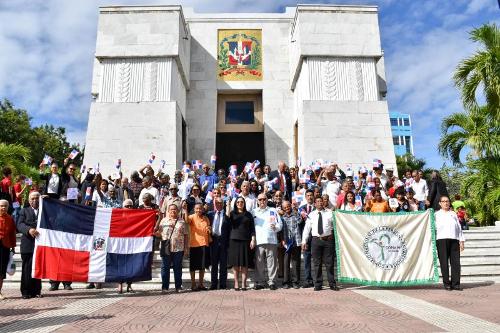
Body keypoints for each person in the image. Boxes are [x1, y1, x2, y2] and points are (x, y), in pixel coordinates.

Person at [301, 197, 339, 291]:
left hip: (328, 240)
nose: (320, 203)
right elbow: (307, 229)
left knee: (329, 263)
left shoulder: (330, 213)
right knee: (317, 263)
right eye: (317, 201)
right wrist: (304, 241)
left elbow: (336, 225)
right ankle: (318, 284)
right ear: (314, 203)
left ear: (324, 202)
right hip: (316, 241)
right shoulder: (311, 214)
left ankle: (332, 283)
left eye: (321, 201)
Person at [253, 193, 283, 290]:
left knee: (272, 263)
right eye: (260, 199)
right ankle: (261, 282)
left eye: (264, 199)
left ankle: (272, 282)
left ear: (267, 200)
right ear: (257, 201)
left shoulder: (273, 210)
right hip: (259, 240)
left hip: (271, 240)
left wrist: (276, 228)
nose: (262, 201)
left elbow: (280, 224)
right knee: (259, 263)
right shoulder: (253, 212)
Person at [16, 192, 43, 299]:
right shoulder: (24, 211)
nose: (35, 200)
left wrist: (48, 200)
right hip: (27, 244)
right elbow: (19, 225)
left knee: (37, 268)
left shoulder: (44, 210)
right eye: (32, 198)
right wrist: (29, 230)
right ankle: (25, 292)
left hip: (40, 245)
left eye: (37, 198)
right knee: (27, 269)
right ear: (29, 199)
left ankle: (37, 291)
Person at [157, 204, 189, 293]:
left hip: (178, 248)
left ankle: (178, 286)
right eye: (171, 209)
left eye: (175, 209)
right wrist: (156, 234)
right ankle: (165, 287)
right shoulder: (163, 221)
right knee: (165, 267)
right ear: (168, 211)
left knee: (177, 267)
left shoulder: (182, 221)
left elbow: (186, 235)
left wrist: (186, 248)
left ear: (178, 211)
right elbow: (159, 233)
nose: (173, 211)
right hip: (166, 247)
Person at [435, 196, 465, 291]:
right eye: (443, 201)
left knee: (456, 263)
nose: (446, 203)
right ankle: (447, 283)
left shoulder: (453, 214)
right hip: (441, 240)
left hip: (454, 240)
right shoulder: (436, 215)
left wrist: (462, 240)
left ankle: (456, 284)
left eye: (447, 201)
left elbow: (459, 228)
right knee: (444, 263)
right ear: (440, 203)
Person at [227, 197, 256, 290]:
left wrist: (253, 239)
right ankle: (236, 283)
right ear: (235, 203)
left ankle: (243, 284)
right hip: (234, 240)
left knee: (244, 263)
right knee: (235, 264)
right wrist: (228, 205)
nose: (240, 203)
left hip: (246, 240)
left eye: (242, 202)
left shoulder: (248, 215)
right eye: (238, 202)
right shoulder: (232, 213)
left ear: (244, 203)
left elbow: (252, 229)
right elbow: (227, 218)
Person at [184, 203, 211, 291]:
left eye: (200, 208)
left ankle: (201, 284)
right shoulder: (191, 217)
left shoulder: (206, 218)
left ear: (203, 209)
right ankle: (193, 284)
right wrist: (185, 210)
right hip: (193, 244)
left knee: (202, 266)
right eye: (197, 208)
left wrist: (209, 230)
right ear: (194, 209)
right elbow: (186, 221)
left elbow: (208, 229)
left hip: (204, 244)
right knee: (193, 266)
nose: (198, 210)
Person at [207, 198, 230, 290]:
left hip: (224, 241)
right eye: (217, 203)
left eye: (220, 202)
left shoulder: (227, 214)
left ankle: (223, 284)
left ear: (223, 204)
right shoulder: (210, 214)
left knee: (223, 264)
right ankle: (213, 284)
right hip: (213, 241)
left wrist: (228, 208)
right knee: (214, 264)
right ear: (214, 204)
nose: (219, 204)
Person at [281, 200, 302, 289]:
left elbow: (300, 221)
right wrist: (282, 240)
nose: (287, 208)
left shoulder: (296, 215)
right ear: (283, 208)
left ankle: (296, 282)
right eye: (285, 207)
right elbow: (280, 230)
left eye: (288, 206)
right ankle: (286, 282)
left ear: (290, 206)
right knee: (286, 262)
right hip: (286, 243)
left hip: (296, 241)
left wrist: (295, 211)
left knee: (296, 262)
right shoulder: (281, 218)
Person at [298, 189, 314, 288]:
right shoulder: (301, 209)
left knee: (317, 260)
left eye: (311, 195)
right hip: (306, 238)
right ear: (305, 197)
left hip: (316, 238)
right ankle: (308, 280)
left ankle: (317, 279)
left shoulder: (317, 208)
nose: (309, 197)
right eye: (307, 195)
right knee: (307, 260)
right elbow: (299, 224)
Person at [0, 199, 16, 299]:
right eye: (1, 206)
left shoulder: (10, 219)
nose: (3, 208)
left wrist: (13, 247)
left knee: (1, 271)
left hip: (5, 247)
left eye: (5, 206)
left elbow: (12, 234)